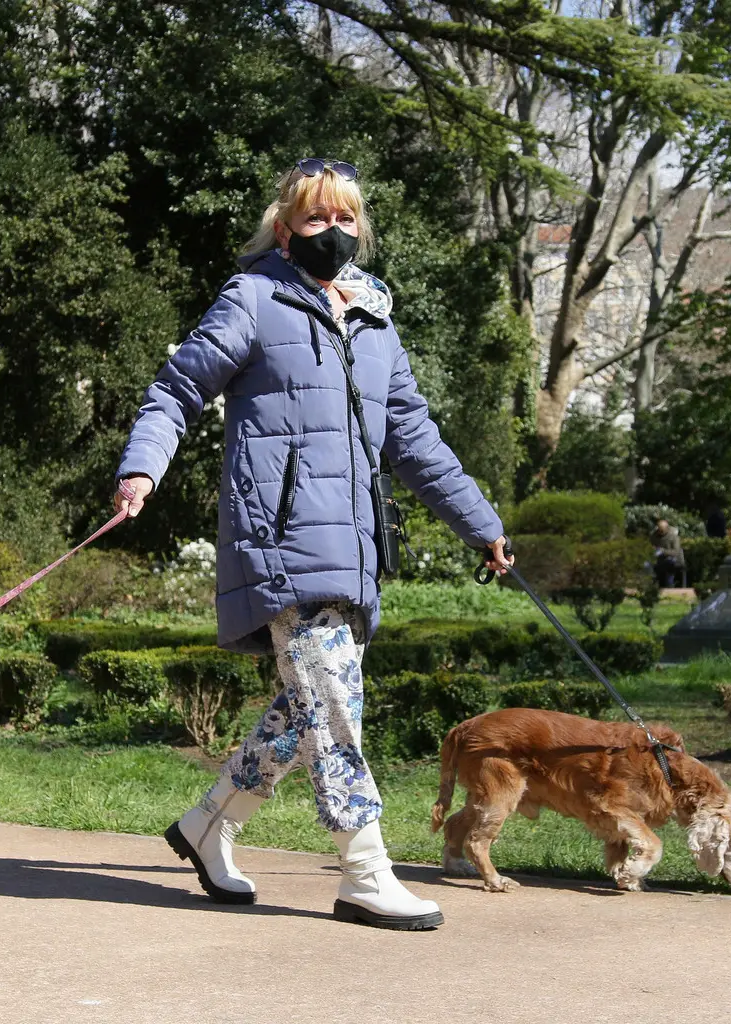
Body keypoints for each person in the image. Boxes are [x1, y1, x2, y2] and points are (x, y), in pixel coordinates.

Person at [113, 158, 511, 931]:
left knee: (302, 714)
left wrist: (482, 523)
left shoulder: (373, 317)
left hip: (356, 547)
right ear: (286, 226)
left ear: (360, 226)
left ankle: (207, 824)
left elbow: (415, 439)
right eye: (315, 217)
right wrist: (141, 469)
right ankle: (365, 869)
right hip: (281, 541)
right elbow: (177, 389)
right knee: (333, 708)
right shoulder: (253, 298)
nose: (332, 230)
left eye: (345, 218)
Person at [651, 518, 685, 588]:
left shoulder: (674, 537)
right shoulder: (654, 536)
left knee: (668, 565)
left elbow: (676, 552)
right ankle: (652, 586)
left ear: (667, 528)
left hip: (674, 560)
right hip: (659, 560)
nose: (660, 532)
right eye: (659, 530)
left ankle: (669, 587)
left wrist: (662, 551)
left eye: (662, 530)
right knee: (647, 565)